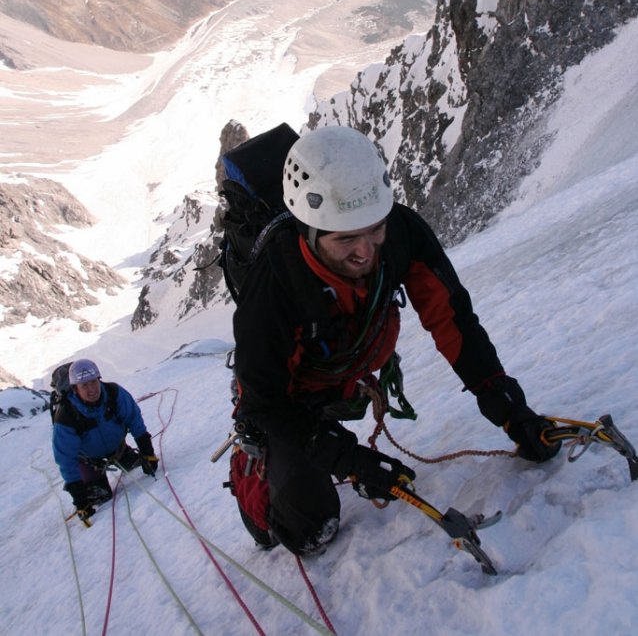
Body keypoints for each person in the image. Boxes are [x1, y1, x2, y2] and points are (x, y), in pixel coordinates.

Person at [231, 125, 560, 555]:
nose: (366, 252)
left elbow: (453, 320)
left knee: (325, 428)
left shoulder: (401, 233)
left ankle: (323, 424)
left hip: (344, 371)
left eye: (373, 231)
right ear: (307, 230)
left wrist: (510, 408)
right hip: (284, 395)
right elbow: (265, 399)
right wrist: (347, 458)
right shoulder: (273, 286)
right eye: (345, 239)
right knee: (309, 529)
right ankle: (252, 473)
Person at [52, 358, 158, 518]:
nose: (92, 389)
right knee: (101, 497)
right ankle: (99, 472)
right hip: (88, 459)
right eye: (84, 385)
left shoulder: (113, 393)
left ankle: (123, 455)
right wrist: (81, 502)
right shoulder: (66, 417)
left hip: (117, 447)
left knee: (136, 467)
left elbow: (134, 420)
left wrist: (148, 452)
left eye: (94, 382)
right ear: (75, 389)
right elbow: (66, 459)